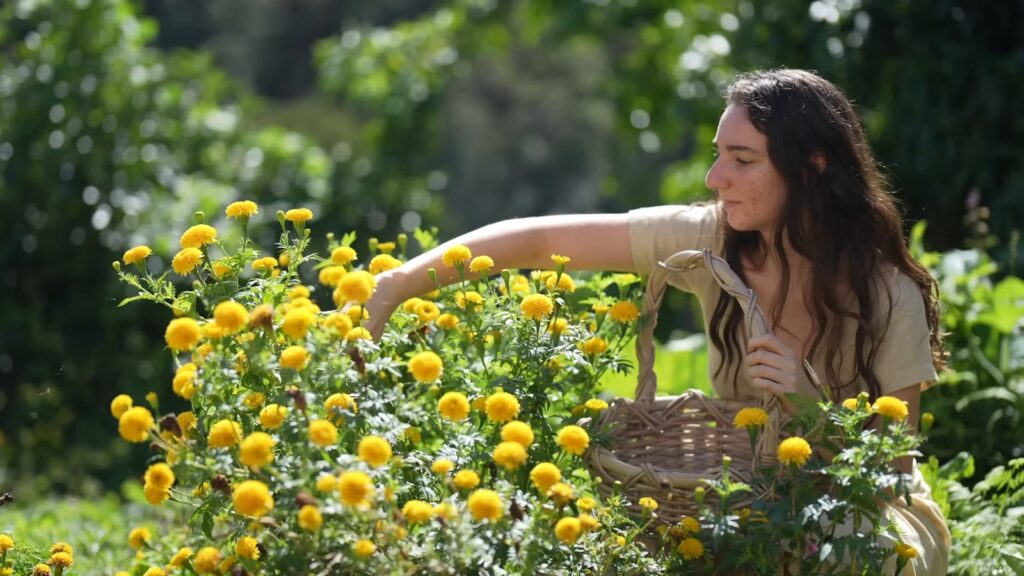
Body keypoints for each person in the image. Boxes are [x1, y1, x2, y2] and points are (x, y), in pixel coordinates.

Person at [364, 68, 949, 575]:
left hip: (870, 522)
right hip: (744, 504)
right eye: (718, 154)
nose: (715, 178)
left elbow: (889, 476)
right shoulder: (711, 238)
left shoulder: (886, 293)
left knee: (836, 550)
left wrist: (806, 400)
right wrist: (394, 286)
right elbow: (538, 238)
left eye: (742, 160)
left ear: (813, 170)